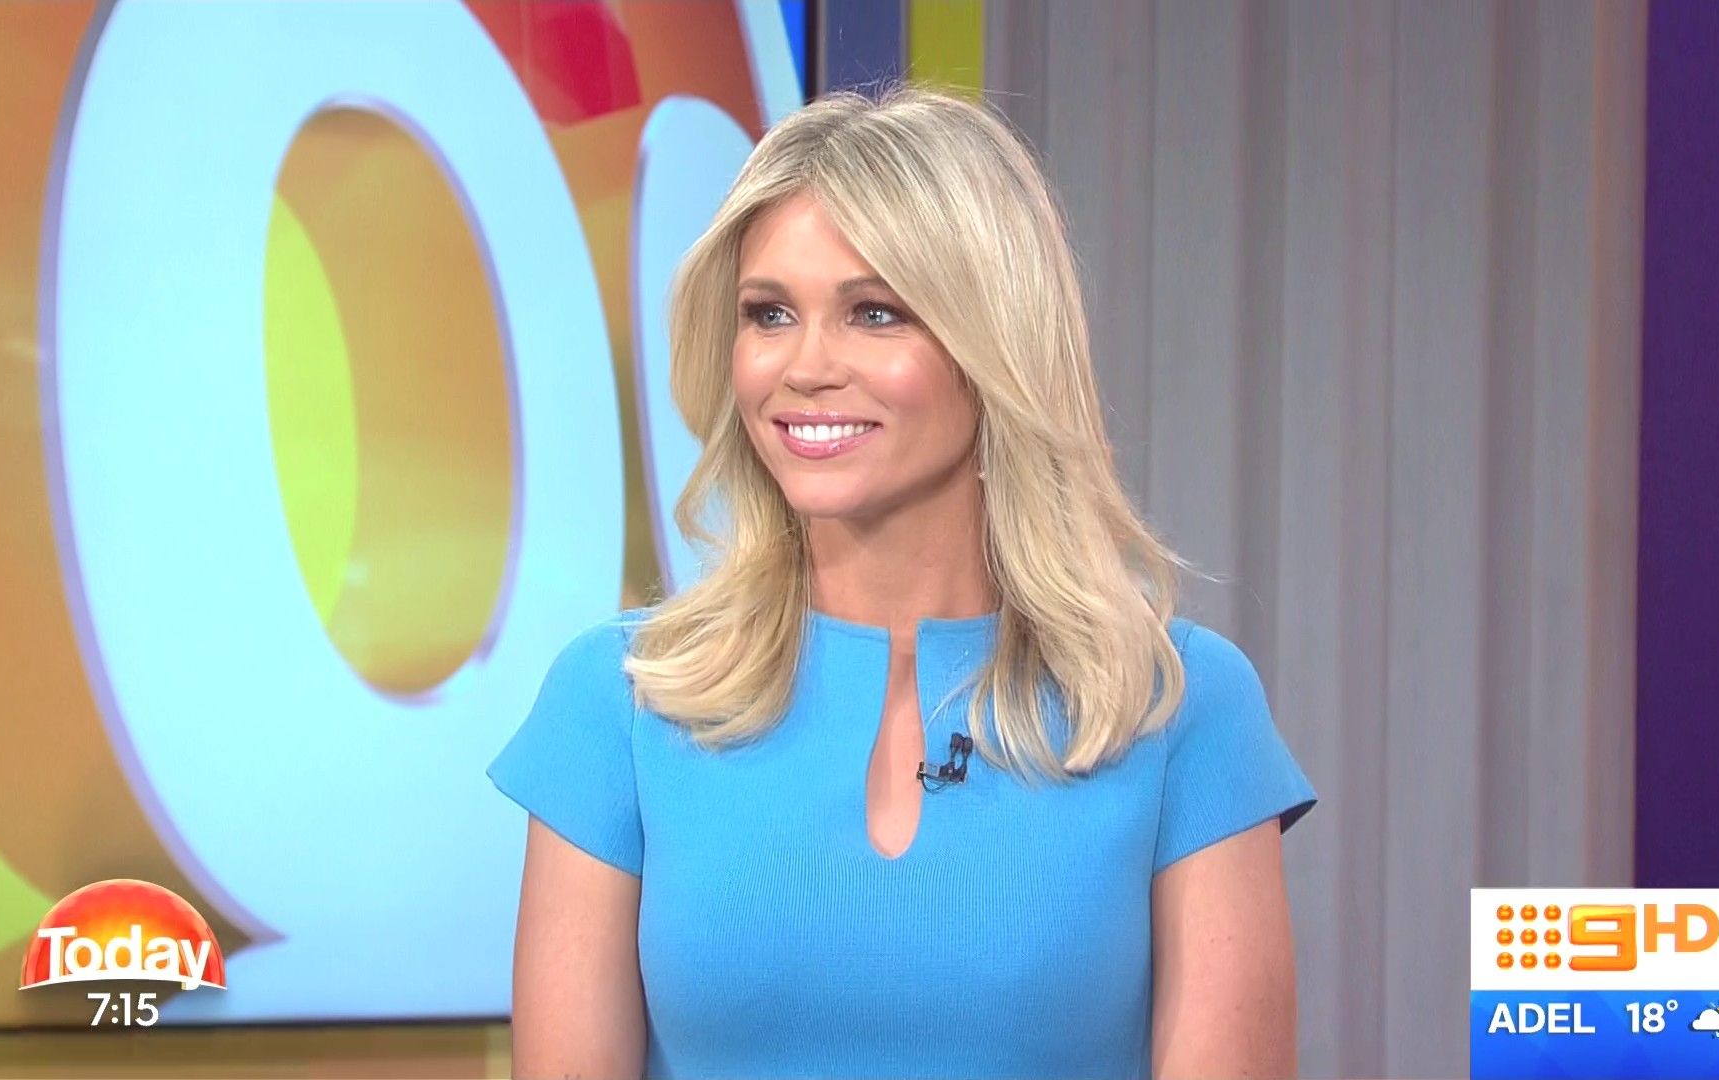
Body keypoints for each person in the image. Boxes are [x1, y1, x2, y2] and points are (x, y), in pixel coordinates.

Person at [487, 83, 1317, 1080]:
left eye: (874, 313)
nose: (804, 367)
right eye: (769, 314)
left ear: (993, 345)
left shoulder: (1177, 706)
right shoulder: (619, 704)